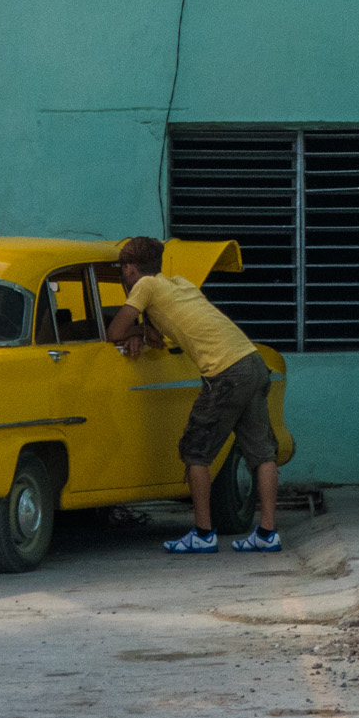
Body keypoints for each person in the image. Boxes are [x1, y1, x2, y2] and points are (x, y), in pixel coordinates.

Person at [106, 236, 280, 555]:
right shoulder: (179, 284)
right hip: (252, 361)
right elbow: (162, 332)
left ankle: (202, 533)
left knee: (195, 451)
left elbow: (114, 332)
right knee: (262, 453)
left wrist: (134, 332)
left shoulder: (143, 286)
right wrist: (144, 331)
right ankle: (268, 533)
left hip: (225, 372)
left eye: (123, 270)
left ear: (130, 268)